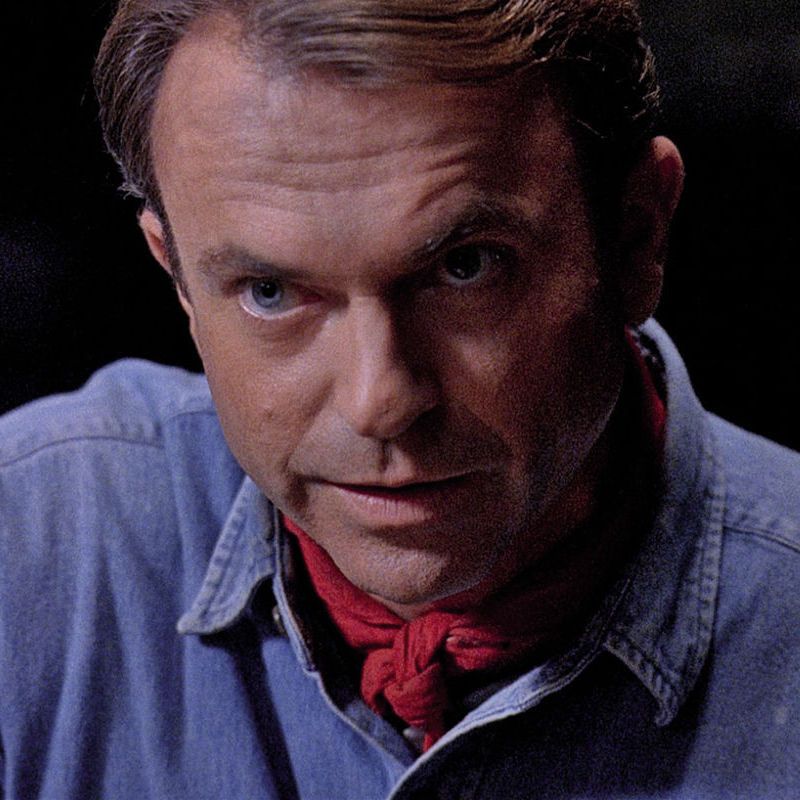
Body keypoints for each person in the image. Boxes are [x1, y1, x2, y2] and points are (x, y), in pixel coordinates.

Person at [1, 0, 798, 797]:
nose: (378, 402)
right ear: (175, 274)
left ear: (635, 237)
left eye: (466, 267)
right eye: (270, 291)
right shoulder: (31, 548)